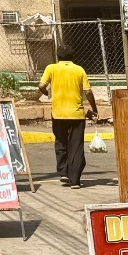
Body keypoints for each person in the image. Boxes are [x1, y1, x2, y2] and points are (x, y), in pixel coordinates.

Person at [38, 51, 99, 187]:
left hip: (58, 114)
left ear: (58, 57)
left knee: (61, 142)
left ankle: (63, 172)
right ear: (73, 57)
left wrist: (47, 93)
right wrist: (94, 109)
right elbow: (88, 91)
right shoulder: (79, 70)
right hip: (76, 114)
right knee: (76, 146)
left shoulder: (51, 68)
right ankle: (75, 180)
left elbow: (41, 85)